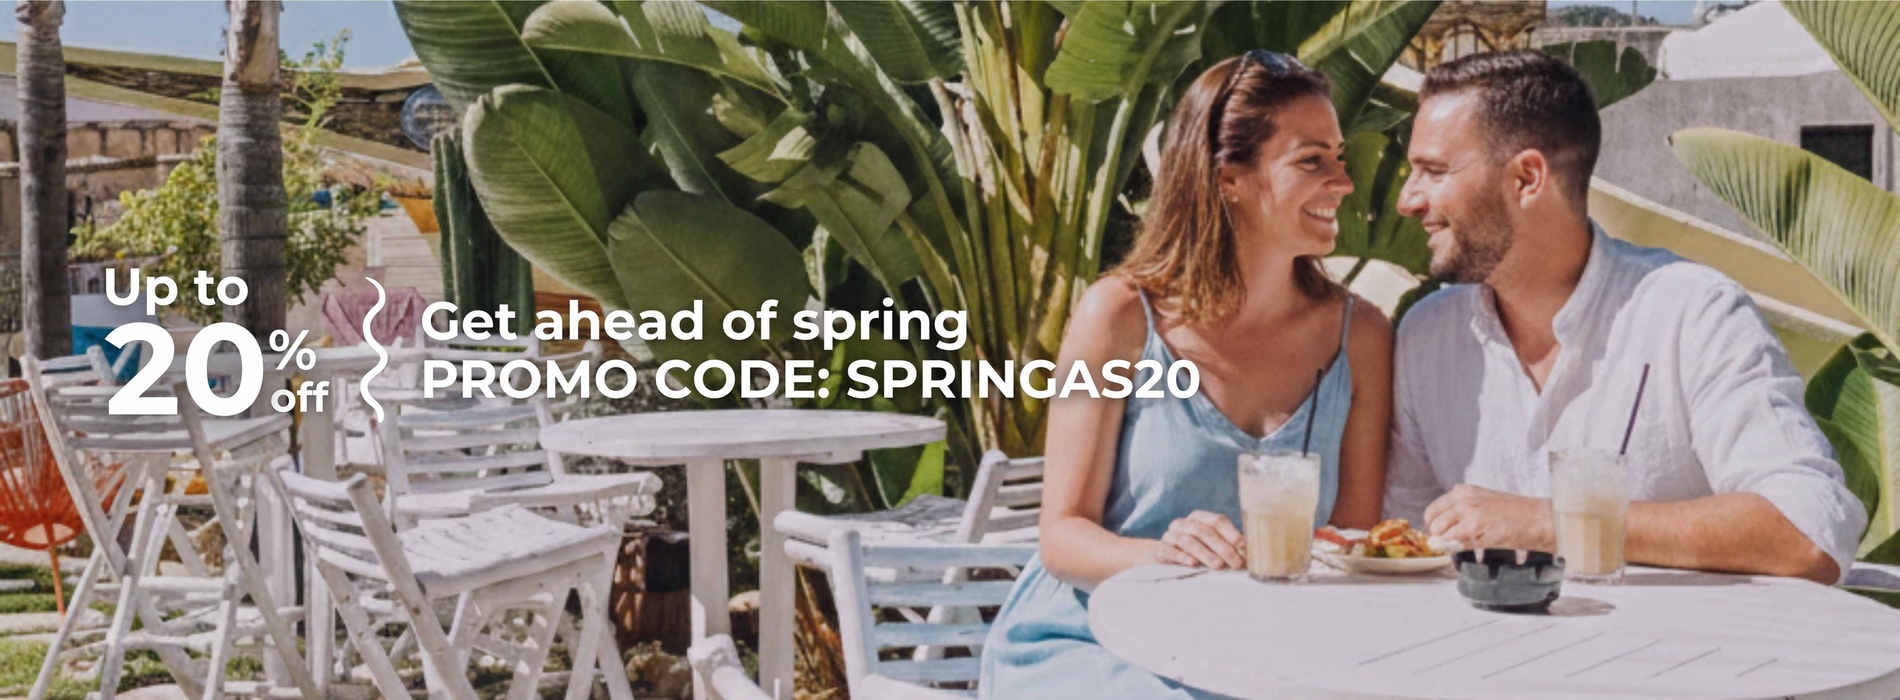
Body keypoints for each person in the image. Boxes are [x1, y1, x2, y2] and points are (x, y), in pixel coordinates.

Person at [978, 51, 1393, 699]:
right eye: (1312, 161)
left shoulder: (1361, 337)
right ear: (1229, 179)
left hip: (1260, 659)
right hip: (1093, 644)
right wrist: (1165, 556)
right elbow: (1062, 536)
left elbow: (1350, 543)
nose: (1342, 181)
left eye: (1338, 157)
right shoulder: (1118, 317)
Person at [1384, 50, 1864, 584]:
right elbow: (1403, 542)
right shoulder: (1426, 336)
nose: (1407, 199)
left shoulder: (1692, 313)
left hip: (1675, 640)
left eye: (1433, 171)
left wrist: (1552, 525)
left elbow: (1809, 531)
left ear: (1527, 177)